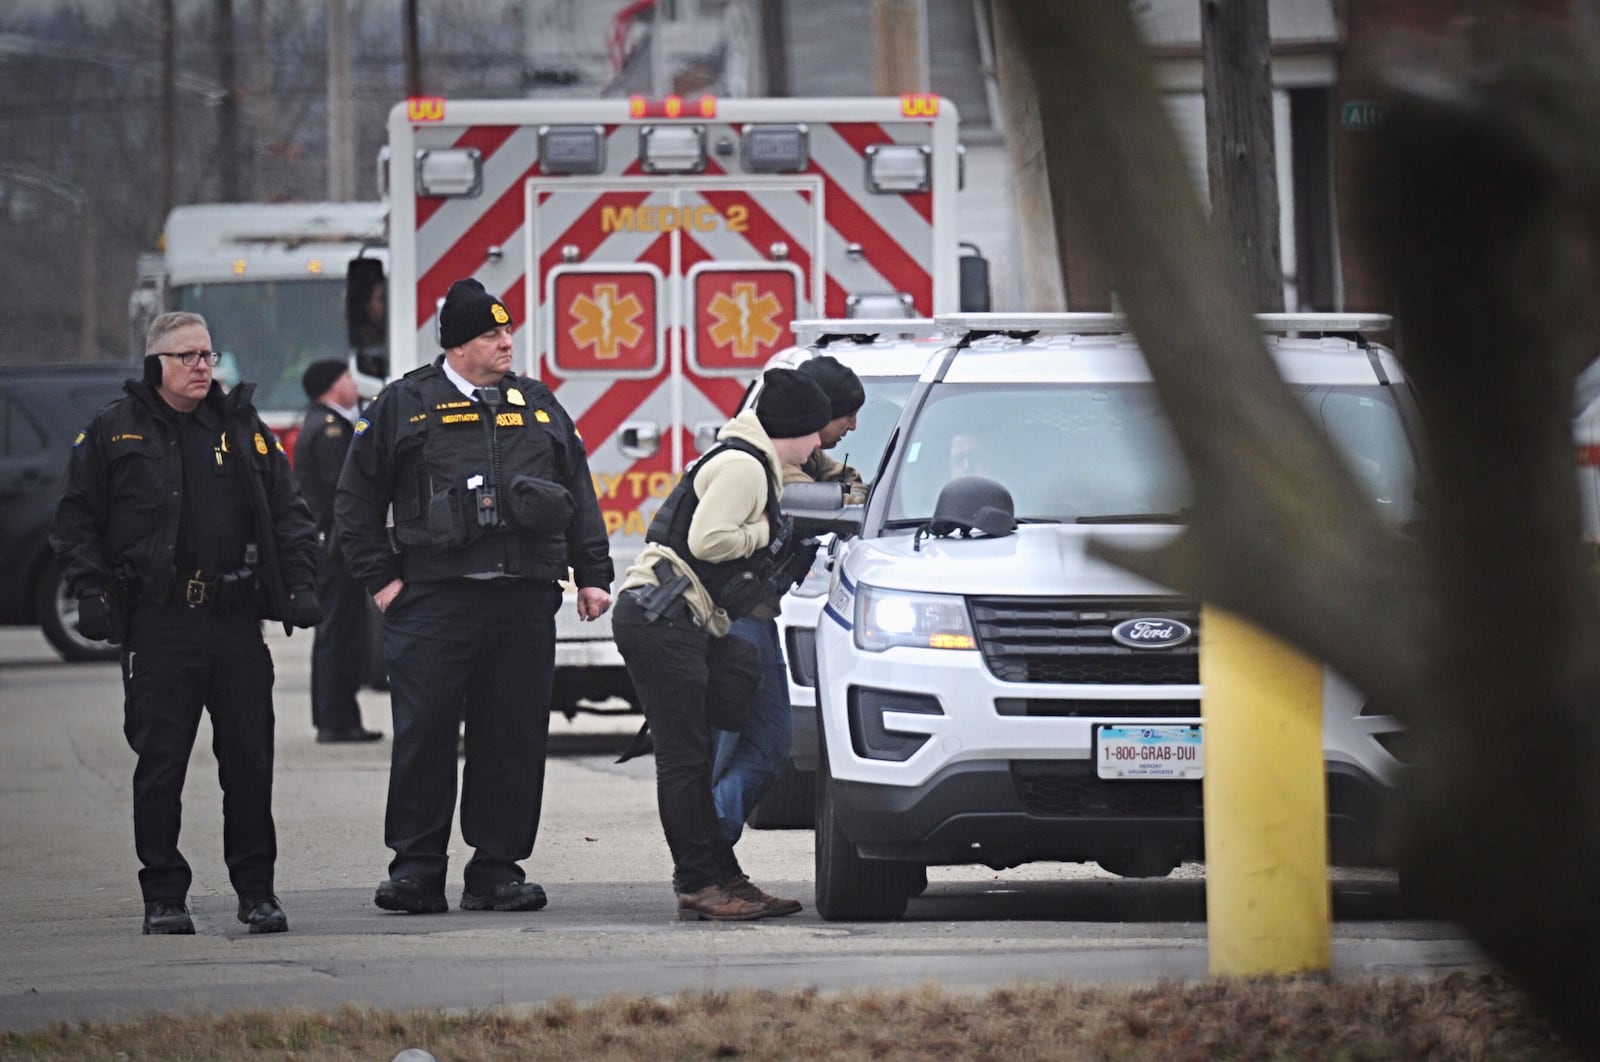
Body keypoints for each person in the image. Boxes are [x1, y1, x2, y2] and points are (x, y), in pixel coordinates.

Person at [335, 277, 613, 916]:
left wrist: (592, 575)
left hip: (522, 602)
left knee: (511, 737)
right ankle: (416, 870)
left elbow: (578, 492)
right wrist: (382, 580)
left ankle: (496, 870)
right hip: (435, 601)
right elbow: (355, 500)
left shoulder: (538, 404)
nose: (506, 342)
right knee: (426, 735)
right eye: (491, 334)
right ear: (458, 346)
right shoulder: (404, 403)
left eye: (507, 331)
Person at [50, 311, 321, 936]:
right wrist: (89, 590)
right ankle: (164, 896)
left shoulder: (242, 427)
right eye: (188, 357)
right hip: (161, 624)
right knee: (161, 763)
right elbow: (74, 522)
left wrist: (301, 582)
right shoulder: (113, 432)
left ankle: (256, 892)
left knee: (250, 766)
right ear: (157, 365)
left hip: (233, 624)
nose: (203, 366)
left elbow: (290, 513)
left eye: (207, 354)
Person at [613, 367, 831, 921]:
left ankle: (723, 876)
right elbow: (708, 541)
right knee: (686, 761)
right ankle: (698, 884)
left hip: (680, 620)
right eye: (816, 432)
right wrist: (763, 531)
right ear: (797, 427)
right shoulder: (743, 466)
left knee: (698, 756)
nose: (819, 444)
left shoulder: (752, 461)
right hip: (662, 619)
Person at [707, 356, 866, 849]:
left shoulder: (796, 462)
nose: (853, 427)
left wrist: (823, 467)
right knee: (723, 753)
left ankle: (709, 851)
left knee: (772, 746)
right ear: (811, 422)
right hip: (727, 622)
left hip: (756, 617)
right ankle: (704, 862)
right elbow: (853, 501)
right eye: (845, 417)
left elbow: (851, 483)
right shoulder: (758, 468)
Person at [293, 359, 383, 744]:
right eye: (347, 378)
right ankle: (335, 720)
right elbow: (341, 490)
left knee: (342, 632)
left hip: (333, 544)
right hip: (335, 547)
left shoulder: (330, 422)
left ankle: (341, 717)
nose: (353, 383)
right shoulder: (329, 429)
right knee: (337, 633)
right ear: (332, 386)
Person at [783, 355, 868, 504]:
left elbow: (847, 475)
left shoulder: (808, 452)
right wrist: (855, 502)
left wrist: (856, 492)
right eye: (849, 416)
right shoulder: (779, 460)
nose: (853, 426)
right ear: (821, 416)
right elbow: (821, 502)